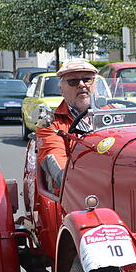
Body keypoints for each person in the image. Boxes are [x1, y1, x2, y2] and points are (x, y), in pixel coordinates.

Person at [36, 59, 99, 193]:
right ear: (61, 89)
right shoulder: (51, 123)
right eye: (73, 81)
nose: (82, 85)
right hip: (74, 194)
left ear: (95, 84)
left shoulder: (114, 114)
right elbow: (56, 163)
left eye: (87, 79)